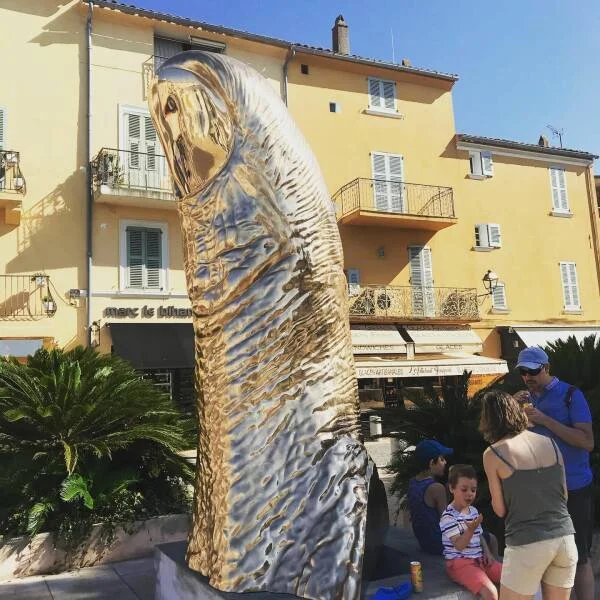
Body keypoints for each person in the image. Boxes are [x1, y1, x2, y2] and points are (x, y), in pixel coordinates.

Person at [513, 346, 595, 600]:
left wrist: (545, 419)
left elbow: (587, 442)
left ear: (547, 368)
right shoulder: (526, 398)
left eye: (533, 371)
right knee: (547, 557)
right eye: (523, 372)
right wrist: (511, 409)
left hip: (573, 487)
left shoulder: (571, 395)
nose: (527, 377)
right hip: (540, 489)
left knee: (580, 556)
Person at [480, 389, 577, 600]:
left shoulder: (493, 453)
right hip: (565, 539)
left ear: (489, 421)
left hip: (526, 543)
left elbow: (500, 510)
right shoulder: (551, 443)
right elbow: (564, 495)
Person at [440, 464, 502, 600]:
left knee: (510, 579)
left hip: (479, 559)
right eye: (464, 489)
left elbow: (480, 536)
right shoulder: (448, 517)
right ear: (451, 488)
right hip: (460, 564)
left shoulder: (473, 511)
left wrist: (488, 553)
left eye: (473, 490)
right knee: (491, 593)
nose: (469, 493)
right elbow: (459, 545)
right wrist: (470, 530)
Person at [407, 439, 453, 554]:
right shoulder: (436, 488)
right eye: (441, 459)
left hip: (424, 542)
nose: (445, 462)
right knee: (488, 538)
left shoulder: (413, 482)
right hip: (440, 543)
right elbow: (447, 521)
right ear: (432, 463)